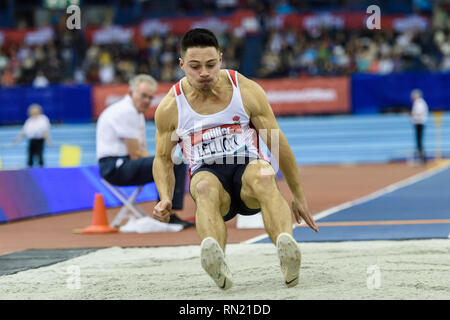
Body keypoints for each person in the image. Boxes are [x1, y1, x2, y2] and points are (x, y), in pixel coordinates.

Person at [152, 28, 318, 290]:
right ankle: (217, 263)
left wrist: (298, 194)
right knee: (204, 187)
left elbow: (277, 142)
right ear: (182, 65)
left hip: (248, 164)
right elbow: (162, 159)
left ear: (220, 58)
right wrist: (165, 197)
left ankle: (287, 251)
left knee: (264, 176)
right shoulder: (171, 107)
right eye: (195, 67)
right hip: (208, 174)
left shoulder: (245, 90)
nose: (204, 73)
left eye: (210, 65)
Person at [96, 74, 194, 230]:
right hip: (115, 167)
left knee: (169, 162)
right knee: (173, 162)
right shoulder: (125, 111)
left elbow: (142, 152)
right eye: (143, 96)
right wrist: (162, 164)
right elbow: (136, 153)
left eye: (150, 97)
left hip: (122, 164)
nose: (147, 101)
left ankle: (167, 212)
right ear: (130, 93)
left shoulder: (136, 113)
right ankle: (168, 214)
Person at [13, 103, 51, 168]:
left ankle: (42, 169)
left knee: (40, 156)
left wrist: (47, 140)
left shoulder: (43, 119)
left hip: (40, 140)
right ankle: (29, 170)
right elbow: (24, 132)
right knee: (30, 156)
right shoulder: (29, 120)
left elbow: (45, 131)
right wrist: (17, 140)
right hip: (32, 140)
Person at [410, 89, 428, 164]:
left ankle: (422, 158)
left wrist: (412, 115)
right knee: (419, 142)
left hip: (419, 123)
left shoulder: (419, 103)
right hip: (418, 123)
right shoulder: (418, 103)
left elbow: (419, 114)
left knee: (419, 142)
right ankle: (421, 158)